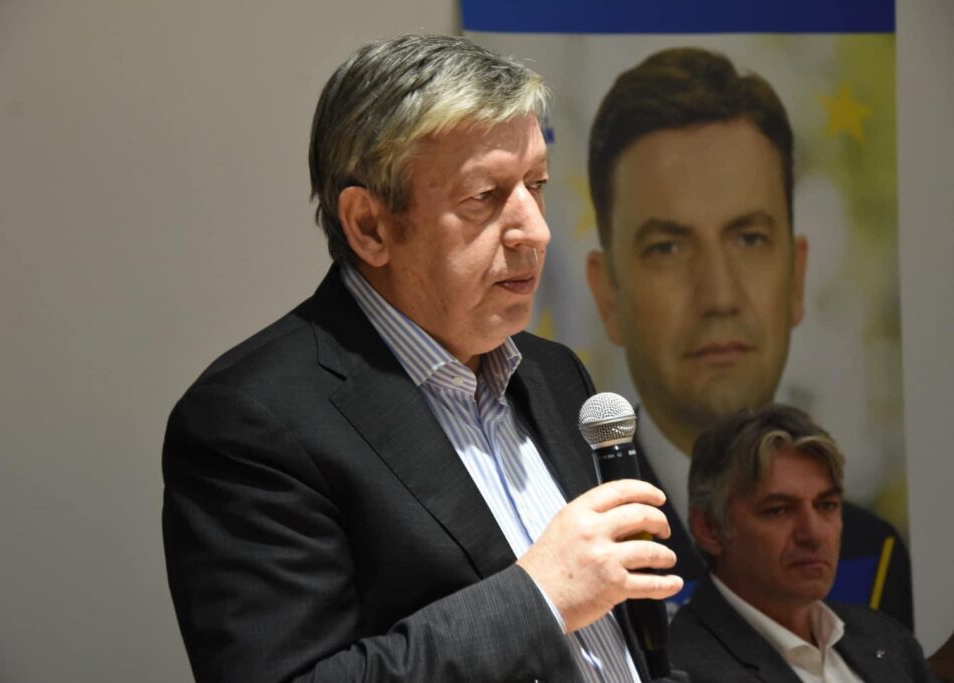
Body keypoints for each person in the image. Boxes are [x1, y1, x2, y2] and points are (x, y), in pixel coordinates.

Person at [162, 34, 687, 683]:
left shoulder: (555, 374)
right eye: (484, 197)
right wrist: (541, 596)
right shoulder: (252, 421)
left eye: (536, 185)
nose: (536, 230)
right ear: (370, 226)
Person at [584, 46, 911, 626]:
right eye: (668, 247)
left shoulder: (869, 558)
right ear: (608, 294)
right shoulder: (569, 545)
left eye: (750, 239)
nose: (719, 295)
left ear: (797, 278)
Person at [669, 404, 938, 682]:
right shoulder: (680, 668)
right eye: (778, 510)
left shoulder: (887, 639)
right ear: (710, 529)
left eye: (827, 505)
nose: (813, 534)